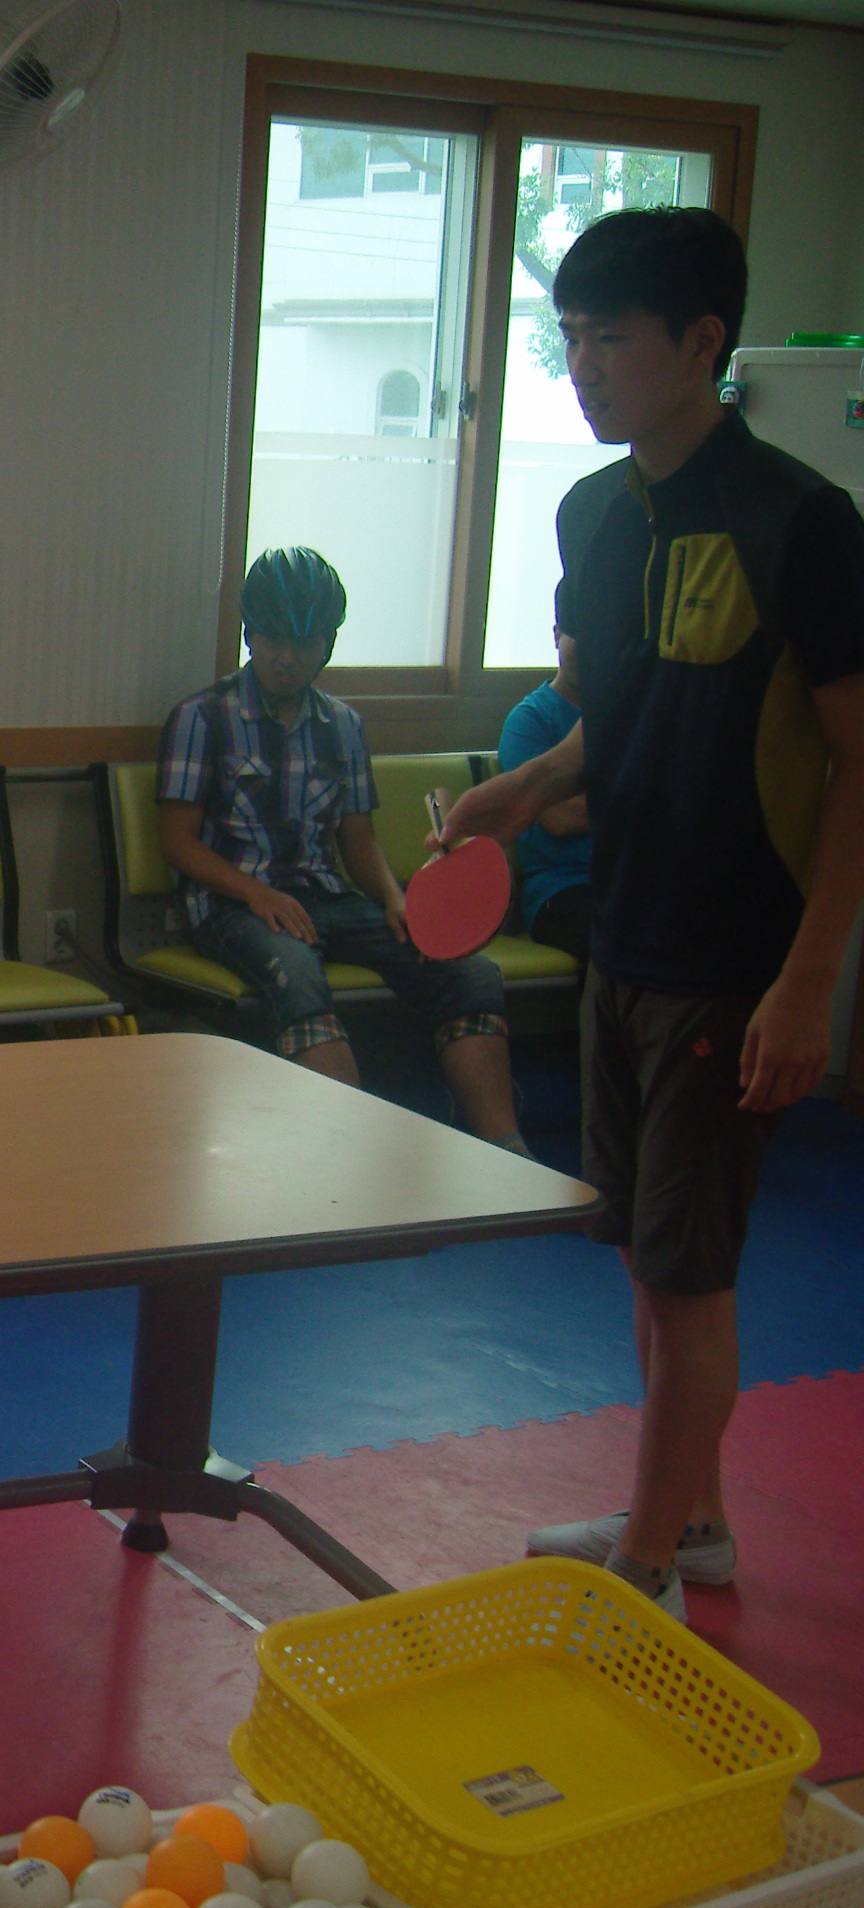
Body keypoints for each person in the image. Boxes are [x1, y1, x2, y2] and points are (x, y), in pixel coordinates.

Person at [441, 206, 864, 1619]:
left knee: (691, 1278)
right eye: (568, 334)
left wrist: (809, 980)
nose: (583, 364)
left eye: (611, 336)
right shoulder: (594, 515)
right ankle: (695, 1523)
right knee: (644, 1255)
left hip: (733, 957)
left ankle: (644, 1569)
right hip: (622, 933)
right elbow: (620, 718)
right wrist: (523, 789)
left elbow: (859, 761)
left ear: (701, 343)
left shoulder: (803, 521)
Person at [157, 546, 526, 1152]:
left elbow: (360, 841)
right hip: (234, 907)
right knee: (298, 975)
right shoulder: (202, 718)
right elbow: (177, 841)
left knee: (468, 972)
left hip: (329, 898)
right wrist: (258, 894)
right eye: (275, 640)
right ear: (250, 635)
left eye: (305, 643)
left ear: (328, 644)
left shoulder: (344, 725)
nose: (287, 657)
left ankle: (505, 1150)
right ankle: (347, 1158)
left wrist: (396, 899)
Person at [495, 608, 594, 960]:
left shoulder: (634, 714)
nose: (592, 648)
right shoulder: (531, 719)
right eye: (580, 635)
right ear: (556, 635)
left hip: (638, 883)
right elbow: (559, 817)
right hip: (562, 889)